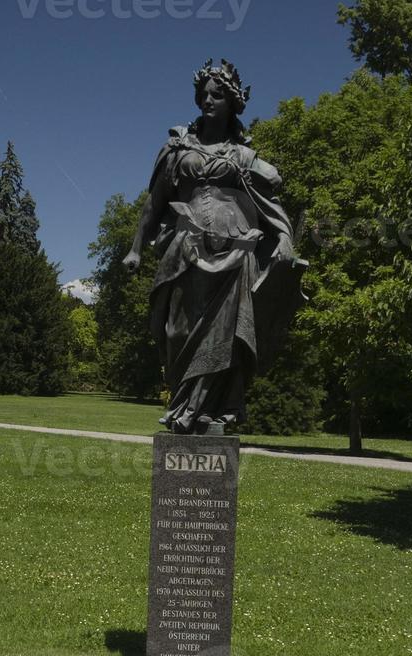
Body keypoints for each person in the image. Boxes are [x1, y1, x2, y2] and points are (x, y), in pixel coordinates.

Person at [124, 59, 304, 435]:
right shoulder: (176, 149)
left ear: (232, 101)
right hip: (184, 247)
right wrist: (136, 247)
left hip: (235, 252)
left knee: (225, 333)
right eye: (203, 94)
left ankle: (209, 409)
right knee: (177, 329)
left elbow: (270, 206)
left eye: (217, 94)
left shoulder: (243, 157)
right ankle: (182, 401)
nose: (207, 100)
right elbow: (153, 204)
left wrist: (285, 238)